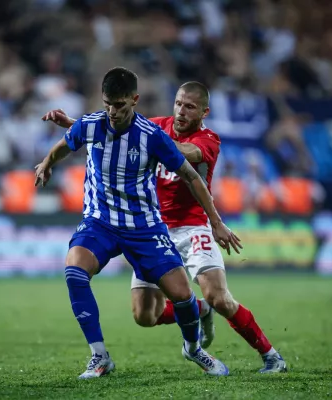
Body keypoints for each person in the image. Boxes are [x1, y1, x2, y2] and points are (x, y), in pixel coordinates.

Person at [42, 81, 287, 374]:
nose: (182, 111)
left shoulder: (208, 140)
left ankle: (271, 355)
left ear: (204, 112)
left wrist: (217, 223)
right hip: (150, 226)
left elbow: (178, 152)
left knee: (218, 296)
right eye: (179, 104)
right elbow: (117, 130)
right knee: (145, 315)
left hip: (192, 226)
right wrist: (75, 125)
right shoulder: (156, 127)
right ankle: (198, 311)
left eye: (190, 107)